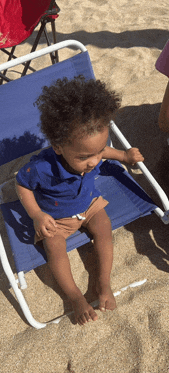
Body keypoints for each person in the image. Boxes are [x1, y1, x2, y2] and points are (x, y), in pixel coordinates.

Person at [15, 76, 144, 325]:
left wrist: (124, 156)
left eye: (98, 152)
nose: (95, 161)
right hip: (57, 217)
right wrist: (36, 215)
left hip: (88, 205)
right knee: (54, 247)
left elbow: (104, 151)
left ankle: (103, 281)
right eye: (85, 157)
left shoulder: (92, 151)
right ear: (58, 146)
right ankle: (75, 297)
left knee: (104, 227)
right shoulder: (42, 168)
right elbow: (21, 184)